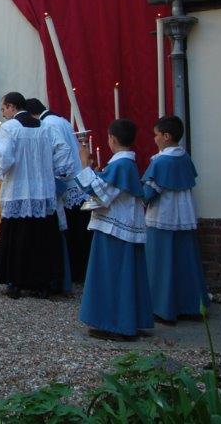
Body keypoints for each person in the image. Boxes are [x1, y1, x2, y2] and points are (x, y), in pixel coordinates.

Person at [75, 118, 153, 341]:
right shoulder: (126, 164)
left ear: (112, 139)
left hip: (114, 229)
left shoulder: (121, 165)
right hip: (122, 226)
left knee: (113, 276)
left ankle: (116, 325)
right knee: (126, 275)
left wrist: (84, 165)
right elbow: (109, 187)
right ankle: (128, 321)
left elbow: (100, 194)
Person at [0, 92, 63, 299]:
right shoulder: (46, 127)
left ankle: (15, 281)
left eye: (4, 108)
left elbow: (4, 159)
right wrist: (51, 170)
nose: (3, 113)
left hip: (19, 189)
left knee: (18, 236)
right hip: (42, 190)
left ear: (12, 107)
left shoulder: (10, 128)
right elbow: (62, 152)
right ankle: (42, 283)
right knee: (41, 237)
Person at [142, 115, 208, 324]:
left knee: (161, 262)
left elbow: (148, 192)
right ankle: (192, 306)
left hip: (163, 216)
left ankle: (163, 308)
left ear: (166, 136)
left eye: (156, 135)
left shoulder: (161, 162)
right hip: (184, 216)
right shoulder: (185, 157)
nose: (154, 139)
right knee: (185, 261)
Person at [26, 98, 87, 290]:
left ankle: (75, 272)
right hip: (77, 180)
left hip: (67, 182)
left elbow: (62, 151)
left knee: (71, 231)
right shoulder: (61, 120)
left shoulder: (48, 124)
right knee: (77, 229)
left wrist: (55, 175)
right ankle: (78, 271)